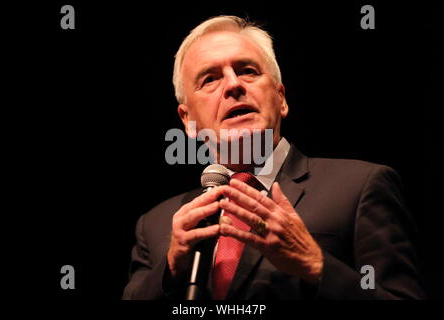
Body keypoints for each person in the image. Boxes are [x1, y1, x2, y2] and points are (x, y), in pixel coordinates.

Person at [122, 15, 425, 299]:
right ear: (188, 121)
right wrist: (172, 268)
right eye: (210, 79)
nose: (233, 85)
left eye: (248, 71)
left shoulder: (359, 189)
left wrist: (317, 265)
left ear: (281, 99)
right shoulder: (157, 225)